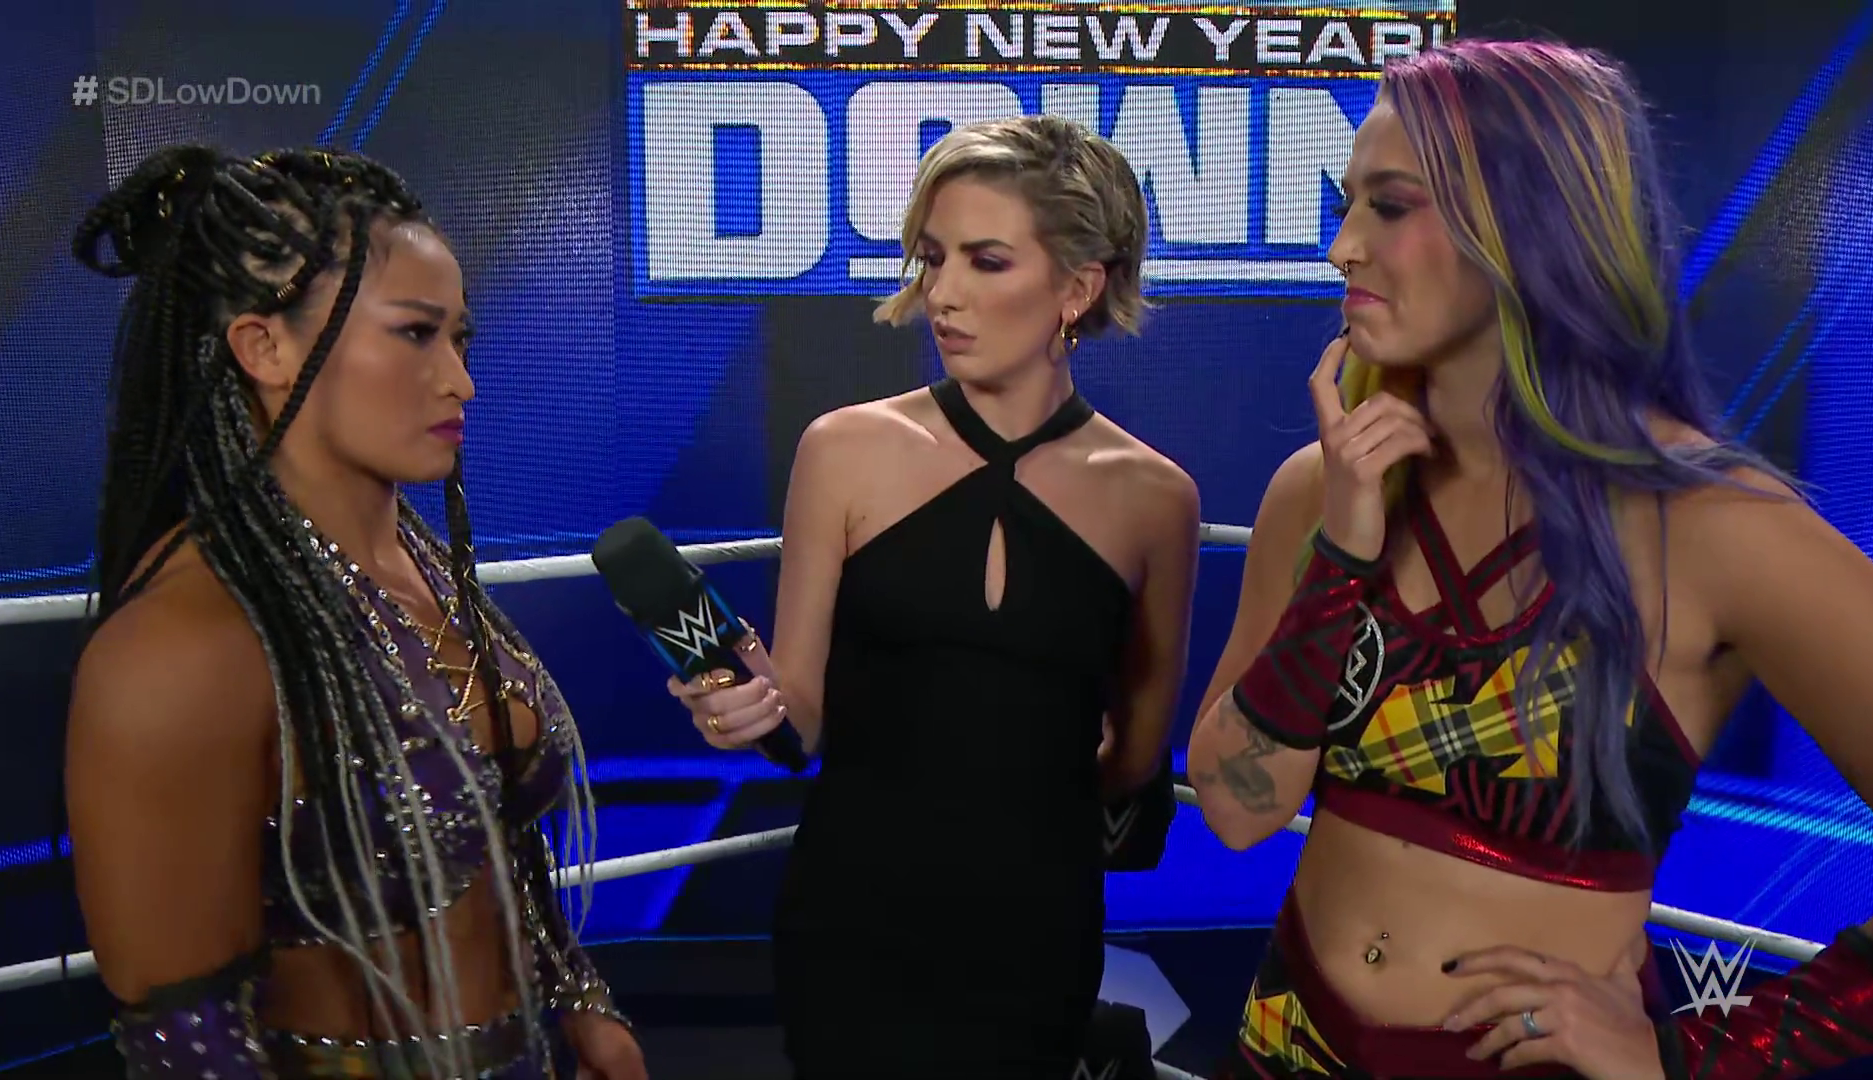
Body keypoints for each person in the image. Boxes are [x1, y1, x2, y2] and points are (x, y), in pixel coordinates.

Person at [1186, 39, 1873, 1080]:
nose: (1342, 249)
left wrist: (1698, 1055)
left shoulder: (1718, 527)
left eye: (1389, 206)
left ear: (1531, 225)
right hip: (1282, 1049)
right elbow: (1236, 807)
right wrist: (1342, 551)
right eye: (1345, 205)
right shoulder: (1324, 487)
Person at [65, 146, 646, 1079]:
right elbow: (187, 1037)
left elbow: (498, 838)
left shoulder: (420, 563)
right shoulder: (186, 643)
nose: (461, 381)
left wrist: (578, 999)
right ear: (264, 348)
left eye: (460, 339)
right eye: (415, 334)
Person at [670, 114, 1201, 1079]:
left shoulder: (1156, 499)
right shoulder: (844, 450)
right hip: (854, 922)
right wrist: (742, 707)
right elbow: (804, 717)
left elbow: (1134, 758)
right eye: (932, 256)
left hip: (1038, 932)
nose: (942, 294)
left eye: (985, 261)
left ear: (1077, 288)